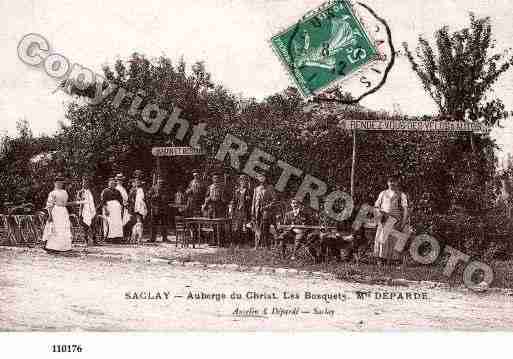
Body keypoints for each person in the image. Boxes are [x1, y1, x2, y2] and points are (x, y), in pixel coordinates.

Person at [373, 175, 409, 266]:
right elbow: (377, 206)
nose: (392, 183)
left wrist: (403, 222)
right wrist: (379, 215)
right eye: (390, 181)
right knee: (382, 239)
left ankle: (395, 260)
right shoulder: (382, 193)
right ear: (387, 183)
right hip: (384, 219)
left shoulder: (401, 195)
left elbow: (405, 210)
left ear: (397, 182)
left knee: (395, 240)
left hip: (396, 220)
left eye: (394, 181)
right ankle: (381, 259)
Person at [42, 176, 73, 253]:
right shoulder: (52, 193)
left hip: (63, 211)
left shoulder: (64, 192)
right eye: (58, 183)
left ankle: (64, 247)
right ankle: (52, 246)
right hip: (55, 211)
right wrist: (50, 215)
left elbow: (65, 203)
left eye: (61, 183)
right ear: (55, 183)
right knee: (55, 228)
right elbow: (49, 205)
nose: (59, 184)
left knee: (64, 227)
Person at [251, 175, 276, 249]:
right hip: (257, 211)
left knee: (265, 227)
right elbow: (254, 201)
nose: (261, 179)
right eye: (259, 177)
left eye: (263, 177)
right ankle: (257, 245)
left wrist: (267, 207)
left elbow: (274, 200)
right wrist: (252, 211)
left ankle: (267, 245)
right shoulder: (256, 189)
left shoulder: (270, 187)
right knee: (257, 227)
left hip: (266, 211)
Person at [229, 174, 253, 245]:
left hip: (245, 210)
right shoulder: (237, 191)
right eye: (241, 180)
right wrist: (232, 209)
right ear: (239, 181)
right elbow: (234, 200)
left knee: (246, 226)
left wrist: (249, 199)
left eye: (245, 180)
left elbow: (251, 201)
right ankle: (238, 242)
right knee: (238, 226)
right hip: (238, 210)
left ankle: (246, 242)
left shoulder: (249, 191)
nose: (243, 182)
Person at [100, 178, 124, 242]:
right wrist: (106, 209)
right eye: (111, 183)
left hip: (116, 210)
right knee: (109, 222)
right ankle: (108, 237)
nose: (112, 184)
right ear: (108, 183)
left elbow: (121, 200)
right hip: (109, 208)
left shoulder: (117, 191)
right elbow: (103, 201)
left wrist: (121, 208)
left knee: (117, 223)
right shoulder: (105, 191)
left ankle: (117, 237)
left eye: (113, 183)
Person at [76, 177, 97, 245]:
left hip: (91, 209)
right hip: (84, 210)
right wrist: (81, 198)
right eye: (83, 183)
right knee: (85, 225)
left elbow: (96, 199)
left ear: (89, 183)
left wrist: (96, 208)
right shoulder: (80, 192)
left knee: (93, 225)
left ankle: (94, 239)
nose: (84, 184)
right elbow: (78, 199)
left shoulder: (92, 191)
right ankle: (86, 240)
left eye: (86, 183)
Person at [148, 178, 170, 243]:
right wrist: (155, 196)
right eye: (159, 182)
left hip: (163, 209)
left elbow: (169, 197)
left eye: (162, 182)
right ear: (157, 182)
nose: (161, 183)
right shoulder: (153, 188)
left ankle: (165, 238)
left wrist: (165, 197)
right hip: (155, 209)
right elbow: (148, 196)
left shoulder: (165, 189)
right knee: (153, 224)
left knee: (164, 224)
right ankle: (152, 238)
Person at [115, 173, 131, 241]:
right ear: (117, 181)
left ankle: (123, 236)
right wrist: (124, 204)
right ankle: (119, 237)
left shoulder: (123, 188)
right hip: (120, 206)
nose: (120, 181)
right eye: (119, 180)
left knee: (125, 220)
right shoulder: (117, 188)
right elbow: (118, 198)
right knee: (120, 221)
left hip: (125, 206)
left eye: (121, 180)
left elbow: (126, 197)